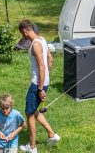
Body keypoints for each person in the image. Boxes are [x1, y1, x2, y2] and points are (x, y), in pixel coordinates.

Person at [18, 20, 60, 153]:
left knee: (29, 113)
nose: (23, 36)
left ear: (25, 31)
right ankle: (52, 135)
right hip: (44, 81)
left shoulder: (35, 45)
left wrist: (41, 88)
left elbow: (42, 66)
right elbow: (50, 60)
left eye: (22, 33)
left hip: (37, 83)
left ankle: (32, 147)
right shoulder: (42, 39)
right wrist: (46, 79)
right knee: (33, 109)